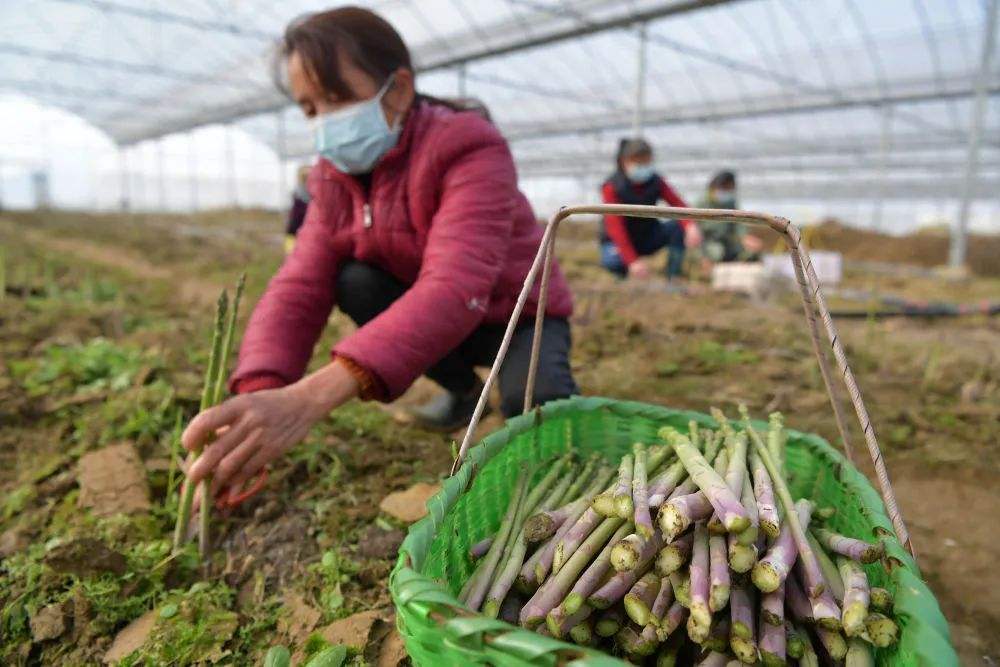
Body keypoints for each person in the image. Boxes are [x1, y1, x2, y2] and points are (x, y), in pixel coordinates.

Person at [179, 7, 578, 504]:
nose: (324, 121)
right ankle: (462, 393)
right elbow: (299, 287)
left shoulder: (469, 147)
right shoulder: (332, 179)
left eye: (337, 98)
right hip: (439, 324)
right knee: (357, 282)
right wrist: (258, 395)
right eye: (309, 108)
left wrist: (306, 400)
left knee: (537, 406)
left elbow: (455, 287)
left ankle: (532, 408)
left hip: (516, 317)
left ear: (399, 89)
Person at [599, 138, 701, 284]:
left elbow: (678, 204)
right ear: (624, 162)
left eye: (646, 161)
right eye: (638, 162)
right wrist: (632, 260)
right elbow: (615, 227)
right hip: (619, 242)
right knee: (613, 260)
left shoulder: (656, 182)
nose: (643, 166)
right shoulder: (612, 187)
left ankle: (673, 277)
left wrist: (690, 225)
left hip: (646, 236)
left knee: (677, 228)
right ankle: (620, 281)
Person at [696, 170, 763, 263]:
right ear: (714, 187)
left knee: (750, 253)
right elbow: (694, 233)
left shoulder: (731, 204)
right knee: (716, 252)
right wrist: (701, 257)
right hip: (708, 245)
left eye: (730, 189)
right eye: (725, 188)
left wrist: (745, 237)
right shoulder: (701, 204)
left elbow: (739, 223)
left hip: (726, 244)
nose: (728, 192)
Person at [283, 165, 312, 253]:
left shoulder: (314, 194)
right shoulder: (297, 193)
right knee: (293, 254)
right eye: (305, 176)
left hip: (304, 231)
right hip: (295, 230)